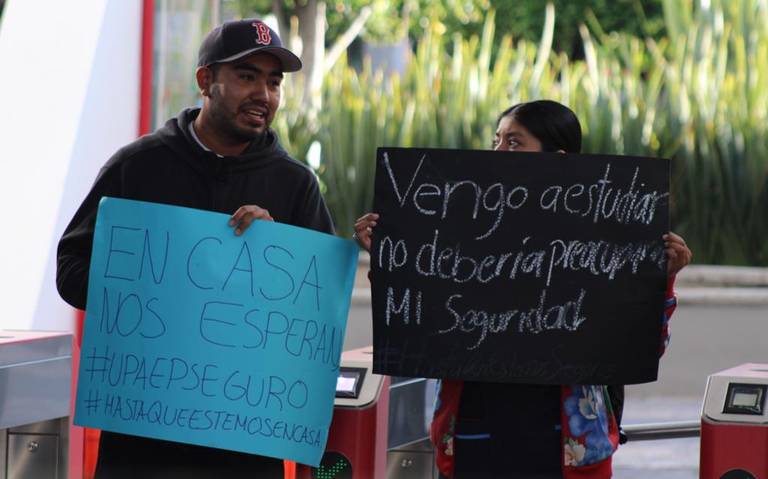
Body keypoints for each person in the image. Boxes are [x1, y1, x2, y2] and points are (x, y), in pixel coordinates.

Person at [354, 100, 693, 478]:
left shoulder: (601, 245)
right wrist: (393, 256)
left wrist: (660, 280)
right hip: (471, 439)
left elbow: (640, 346)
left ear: (558, 160)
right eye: (496, 140)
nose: (498, 152)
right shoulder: (461, 231)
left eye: (514, 143)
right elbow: (421, 319)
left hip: (565, 451)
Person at [56, 19, 333, 478]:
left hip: (245, 448)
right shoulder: (138, 166)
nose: (263, 94)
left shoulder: (296, 186)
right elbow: (71, 270)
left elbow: (317, 313)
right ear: (206, 81)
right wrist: (152, 285)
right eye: (247, 76)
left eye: (274, 81)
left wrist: (276, 253)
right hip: (142, 443)